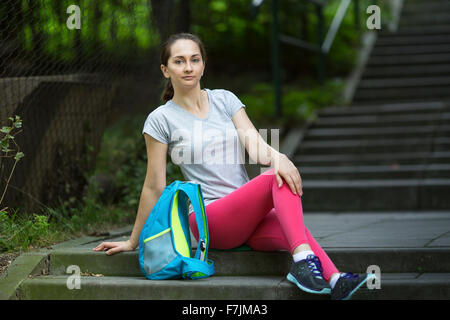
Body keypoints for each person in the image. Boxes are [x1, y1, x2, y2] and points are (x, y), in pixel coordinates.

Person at [93, 32, 376, 300]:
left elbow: (255, 145)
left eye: (195, 59)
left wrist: (280, 157)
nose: (188, 67)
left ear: (203, 65)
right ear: (165, 70)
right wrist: (132, 241)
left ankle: (336, 280)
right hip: (209, 219)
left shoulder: (225, 100)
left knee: (290, 221)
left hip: (245, 216)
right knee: (272, 179)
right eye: (179, 61)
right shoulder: (160, 119)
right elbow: (154, 184)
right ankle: (303, 263)